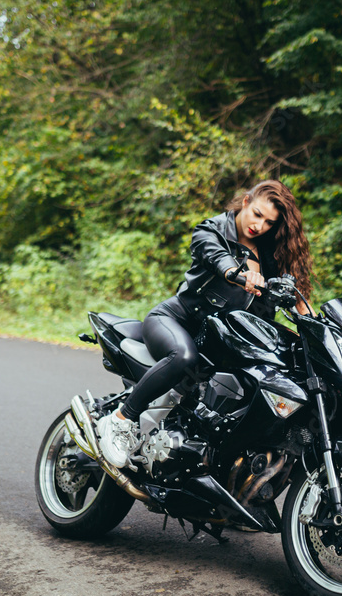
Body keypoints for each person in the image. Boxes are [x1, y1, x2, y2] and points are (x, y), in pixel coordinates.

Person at [96, 180, 315, 468]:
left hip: (223, 342)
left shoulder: (271, 255)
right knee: (185, 357)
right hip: (176, 322)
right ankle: (120, 419)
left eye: (269, 222)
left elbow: (299, 297)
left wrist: (315, 326)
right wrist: (238, 274)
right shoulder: (211, 230)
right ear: (246, 201)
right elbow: (216, 257)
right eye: (257, 214)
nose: (259, 225)